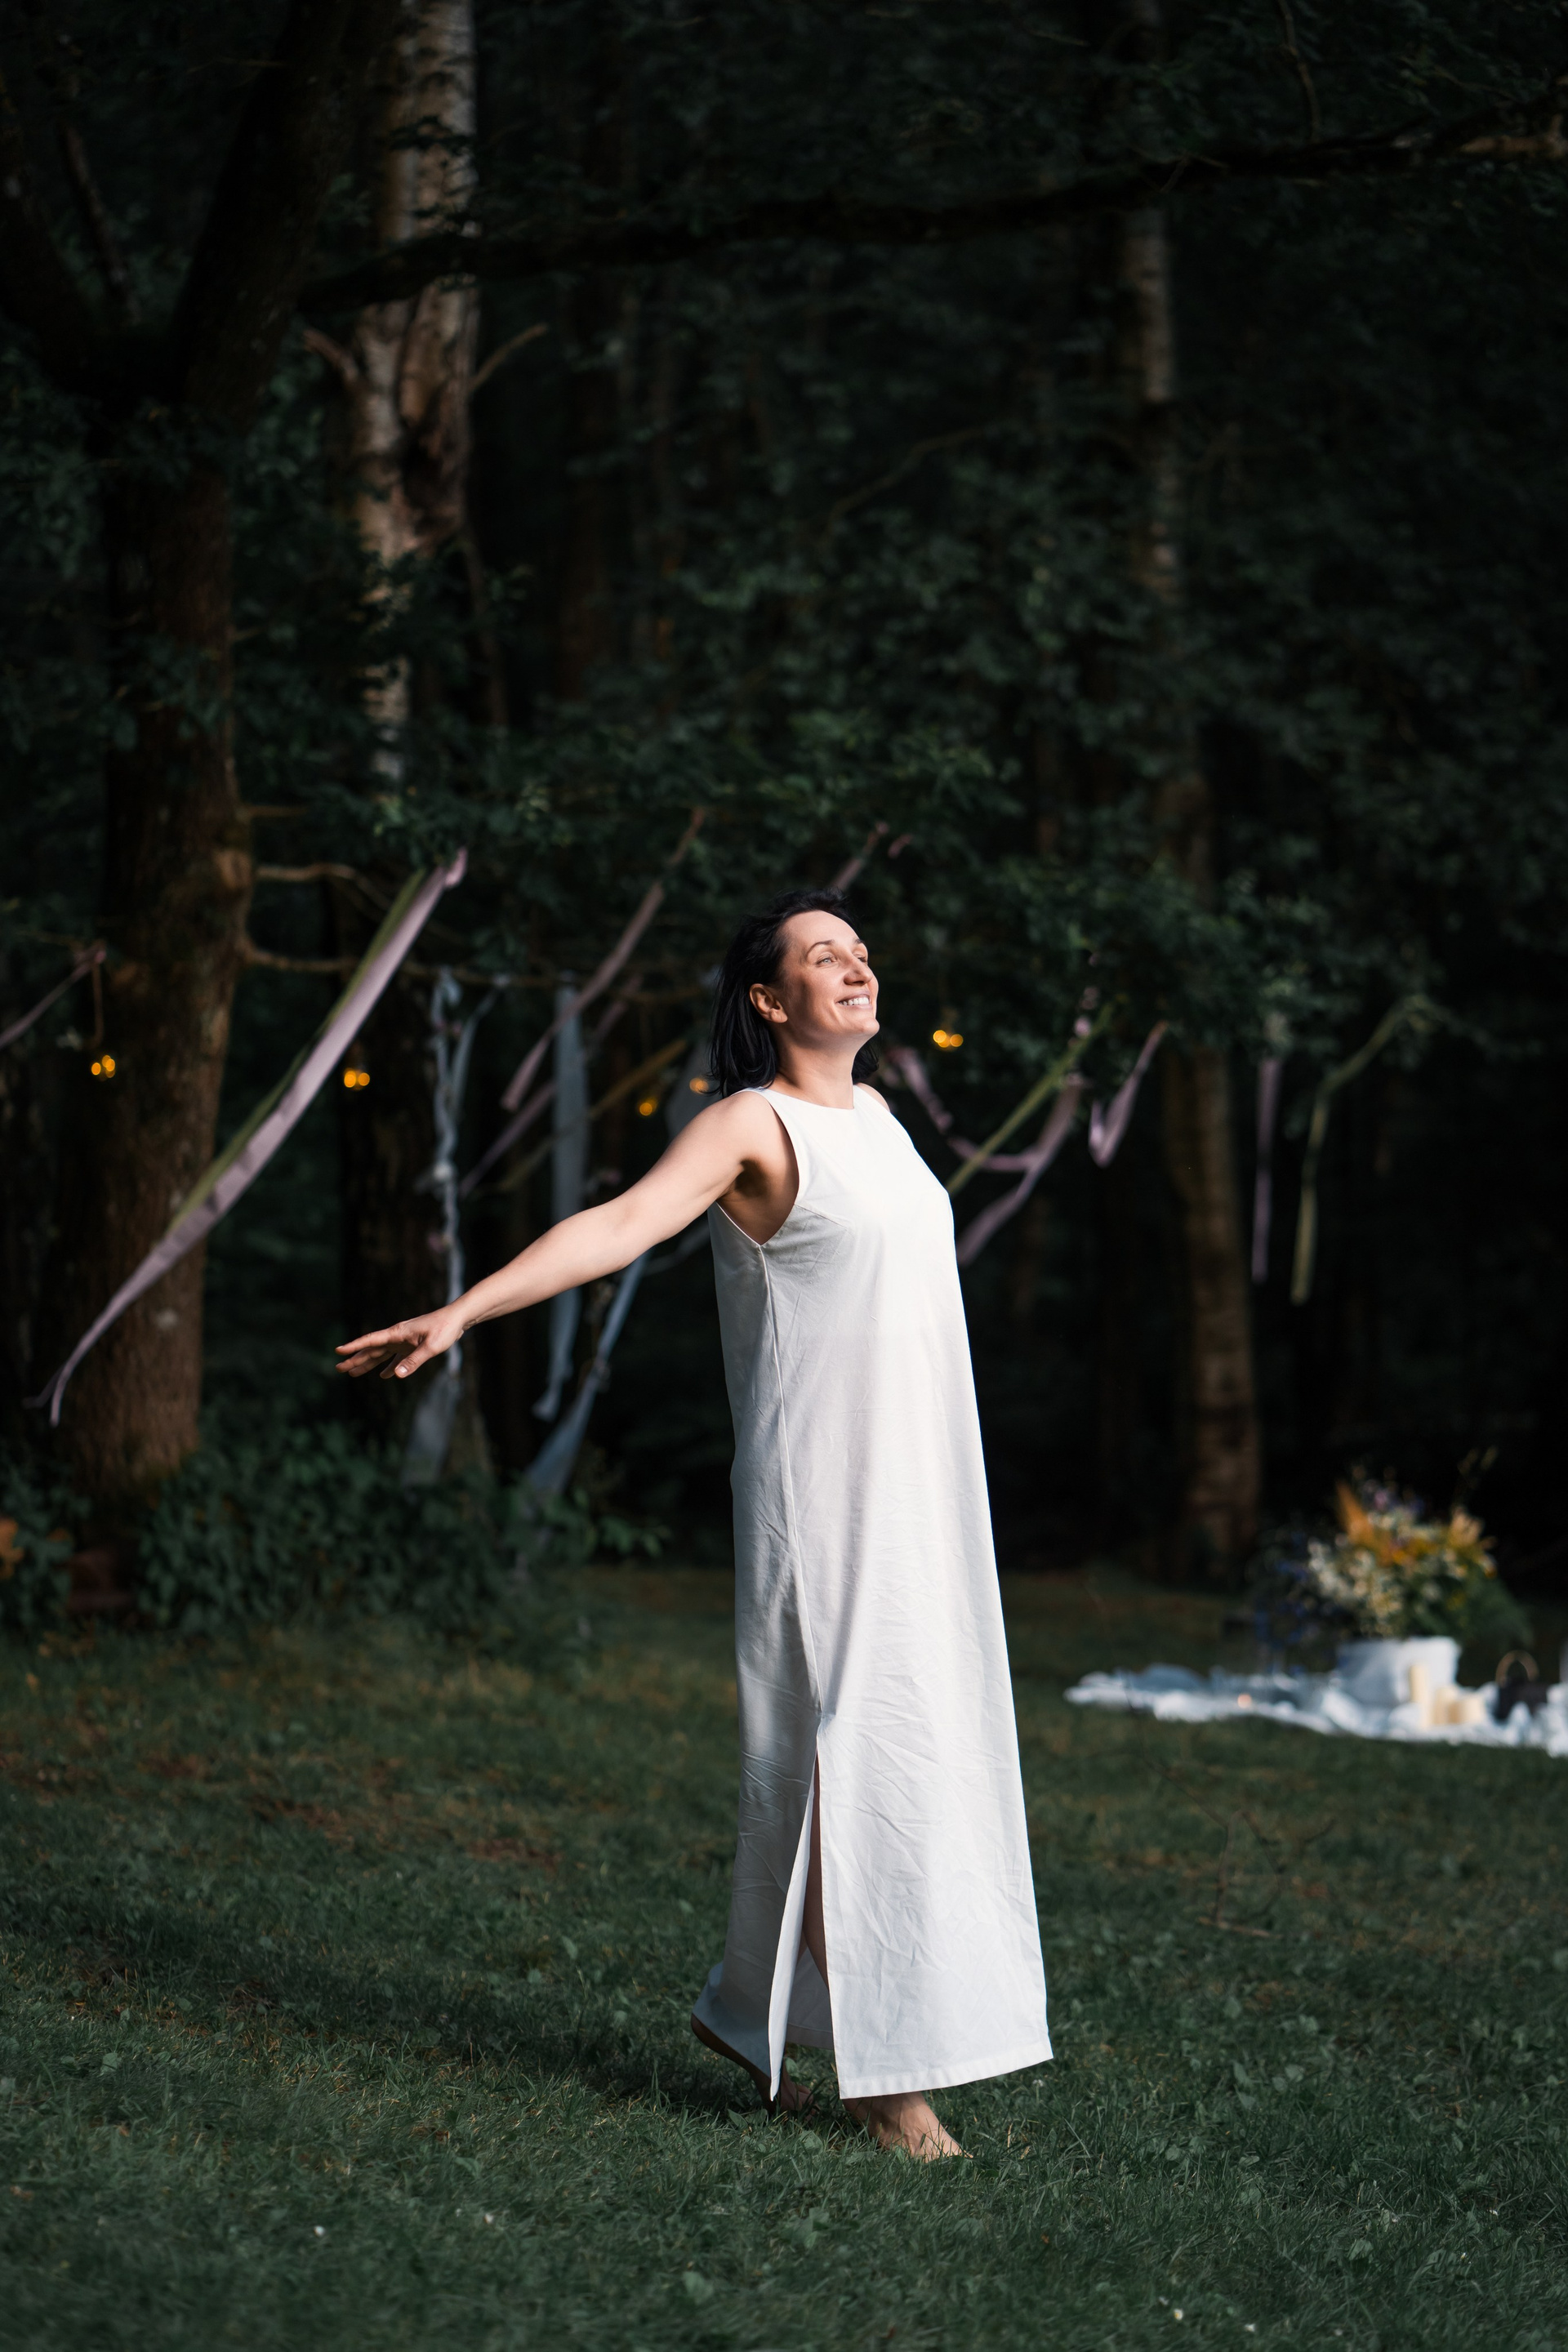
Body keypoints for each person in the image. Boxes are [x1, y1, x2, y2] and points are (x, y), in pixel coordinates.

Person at [336, 889, 1051, 2158]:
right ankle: (885, 2082)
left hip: (922, 1483)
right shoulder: (747, 1124)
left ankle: (748, 2010)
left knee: (907, 1745)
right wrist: (463, 1312)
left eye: (861, 952)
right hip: (823, 1493)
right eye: (823, 956)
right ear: (770, 1000)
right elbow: (617, 1226)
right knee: (850, 1756)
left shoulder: (885, 1121)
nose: (857, 968)